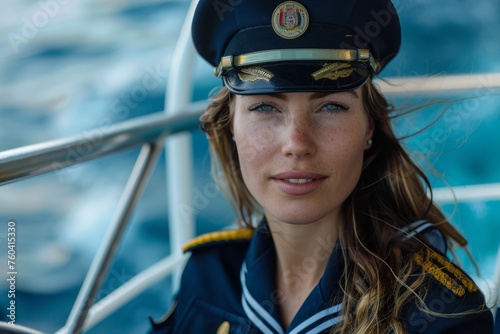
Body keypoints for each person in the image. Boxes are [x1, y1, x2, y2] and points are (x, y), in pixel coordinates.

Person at [149, 0, 494, 333]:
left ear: (368, 128)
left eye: (330, 107)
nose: (297, 143)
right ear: (230, 127)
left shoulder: (440, 312)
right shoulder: (207, 277)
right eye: (264, 108)